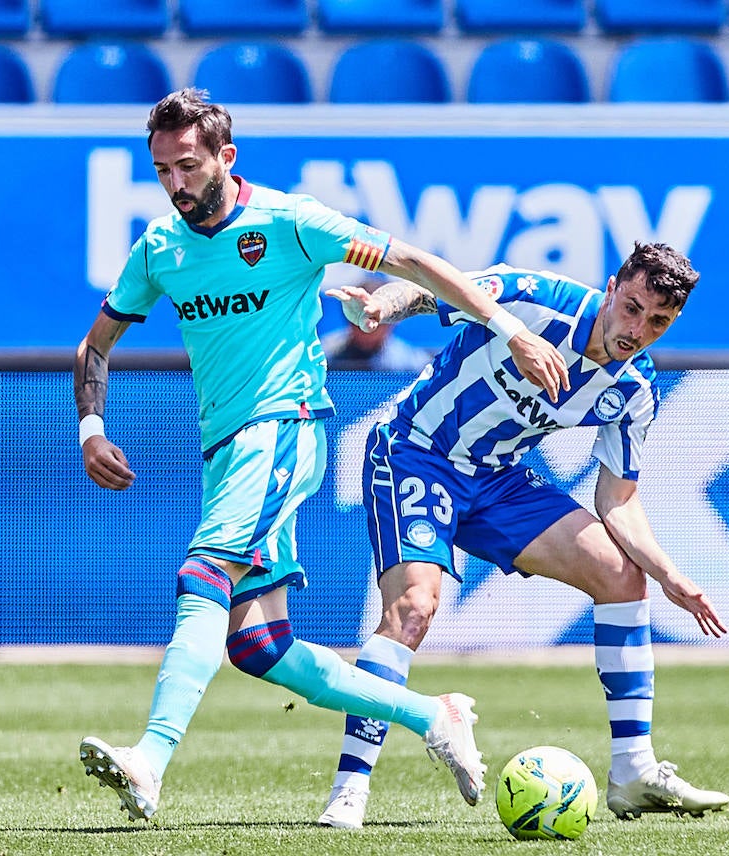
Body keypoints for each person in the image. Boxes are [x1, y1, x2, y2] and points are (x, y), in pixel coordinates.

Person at [71, 88, 570, 823]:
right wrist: (90, 427)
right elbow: (95, 346)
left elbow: (412, 261)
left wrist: (508, 329)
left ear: (225, 158)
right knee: (259, 644)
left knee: (202, 573)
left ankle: (150, 759)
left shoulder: (291, 222)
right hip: (225, 448)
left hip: (283, 428)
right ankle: (434, 716)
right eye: (161, 171)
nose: (175, 185)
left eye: (186, 166)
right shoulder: (160, 250)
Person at [316, 243, 729, 830]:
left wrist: (669, 574)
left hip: (497, 479)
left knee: (621, 575)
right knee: (413, 608)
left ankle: (633, 772)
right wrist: (381, 305)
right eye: (633, 307)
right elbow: (435, 286)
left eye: (658, 321)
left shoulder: (634, 388)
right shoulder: (539, 299)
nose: (637, 329)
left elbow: (616, 500)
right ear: (612, 287)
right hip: (417, 452)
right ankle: (349, 788)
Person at [320, 274, 433, 371]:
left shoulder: (412, 365)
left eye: (376, 320)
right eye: (359, 321)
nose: (367, 327)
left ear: (392, 323)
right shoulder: (321, 357)